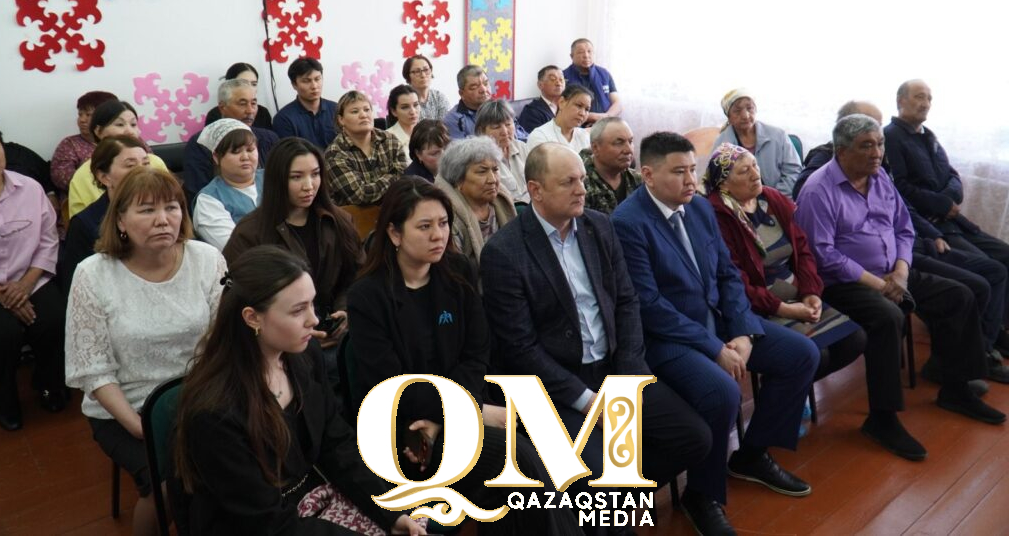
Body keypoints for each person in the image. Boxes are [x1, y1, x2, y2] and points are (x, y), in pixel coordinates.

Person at [480, 144, 712, 535]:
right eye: (568, 182)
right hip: (556, 387)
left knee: (693, 438)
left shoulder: (598, 226)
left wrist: (628, 379)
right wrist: (587, 400)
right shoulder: (504, 252)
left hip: (614, 370)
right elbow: (520, 348)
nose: (581, 189)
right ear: (535, 190)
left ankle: (607, 509)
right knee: (601, 473)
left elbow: (627, 302)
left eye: (583, 180)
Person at [346, 177, 583, 535]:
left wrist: (450, 418)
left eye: (443, 223)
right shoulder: (368, 296)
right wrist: (467, 412)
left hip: (449, 414)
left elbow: (476, 356)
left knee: (548, 448)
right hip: (405, 431)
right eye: (424, 226)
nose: (438, 235)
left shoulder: (458, 273)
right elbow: (392, 388)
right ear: (394, 233)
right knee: (515, 459)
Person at [612, 132, 818, 535]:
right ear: (648, 175)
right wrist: (714, 348)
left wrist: (743, 331)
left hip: (720, 322)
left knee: (801, 355)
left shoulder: (701, 208)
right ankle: (702, 494)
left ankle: (751, 454)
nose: (691, 180)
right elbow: (649, 305)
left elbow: (728, 274)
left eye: (693, 169)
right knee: (723, 392)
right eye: (679, 172)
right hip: (669, 338)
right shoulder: (628, 223)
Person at [171, 246, 425, 536]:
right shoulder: (215, 411)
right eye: (297, 310)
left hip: (302, 506)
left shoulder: (304, 356)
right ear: (252, 318)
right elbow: (267, 524)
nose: (314, 320)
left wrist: (389, 513)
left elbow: (336, 444)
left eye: (312, 304)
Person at [795, 115, 1005, 433]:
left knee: (959, 295)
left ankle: (956, 389)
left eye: (880, 144)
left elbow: (904, 229)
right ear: (842, 151)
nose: (877, 153)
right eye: (866, 146)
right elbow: (823, 255)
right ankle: (883, 419)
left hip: (893, 272)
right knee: (888, 316)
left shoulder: (880, 177)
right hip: (843, 282)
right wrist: (879, 285)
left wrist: (902, 272)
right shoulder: (818, 190)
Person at [65, 168, 225, 535]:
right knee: (167, 487)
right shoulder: (92, 274)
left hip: (200, 399)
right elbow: (93, 370)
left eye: (172, 207)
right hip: (128, 408)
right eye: (147, 210)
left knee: (240, 463)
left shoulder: (206, 258)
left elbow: (222, 340)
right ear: (120, 220)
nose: (163, 219)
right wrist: (140, 427)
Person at [703, 144, 869, 422]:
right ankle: (782, 400)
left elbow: (802, 248)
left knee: (854, 339)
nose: (755, 174)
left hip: (794, 292)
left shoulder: (771, 198)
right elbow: (734, 281)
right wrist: (786, 309)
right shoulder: (718, 215)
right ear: (724, 184)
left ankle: (789, 391)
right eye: (744, 171)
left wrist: (811, 292)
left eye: (755, 165)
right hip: (757, 304)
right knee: (817, 355)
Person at [885, 79, 1009, 356]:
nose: (926, 103)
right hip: (931, 225)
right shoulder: (891, 137)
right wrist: (942, 204)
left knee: (1005, 254)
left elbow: (952, 175)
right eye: (919, 97)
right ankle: (983, 348)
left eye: (929, 98)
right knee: (990, 269)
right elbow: (900, 188)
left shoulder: (928, 136)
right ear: (901, 101)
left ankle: (996, 329)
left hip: (952, 220)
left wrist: (950, 198)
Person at [224, 138, 363, 376]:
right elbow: (238, 299)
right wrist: (298, 326)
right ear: (278, 181)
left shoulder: (339, 220)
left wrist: (345, 311)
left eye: (315, 174)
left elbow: (358, 273)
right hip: (281, 349)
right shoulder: (250, 233)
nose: (309, 186)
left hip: (338, 336)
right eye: (296, 177)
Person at [0, 119, 64, 432]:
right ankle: (3, 399)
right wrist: (2, 295)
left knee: (54, 320)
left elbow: (48, 240)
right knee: (1, 336)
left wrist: (26, 285)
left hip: (31, 278)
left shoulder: (29, 188)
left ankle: (48, 384)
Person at [60, 136, 150, 293]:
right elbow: (76, 285)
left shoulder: (165, 211)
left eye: (146, 163)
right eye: (131, 165)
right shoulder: (85, 223)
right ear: (104, 177)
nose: (143, 172)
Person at [67, 100, 169, 218]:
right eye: (120, 124)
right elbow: (83, 223)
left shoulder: (155, 162)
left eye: (133, 124)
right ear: (98, 131)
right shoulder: (83, 175)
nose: (129, 131)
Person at [184, 76, 279, 200]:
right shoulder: (201, 144)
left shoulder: (269, 138)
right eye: (242, 104)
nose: (250, 110)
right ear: (222, 107)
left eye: (253, 103)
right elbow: (197, 193)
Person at [434, 137, 516, 265]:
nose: (493, 180)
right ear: (458, 180)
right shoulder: (448, 217)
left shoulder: (503, 201)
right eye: (482, 172)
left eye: (495, 169)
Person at [712, 89, 801, 197]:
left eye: (749, 108)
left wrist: (774, 199)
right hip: (741, 202)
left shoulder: (778, 136)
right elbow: (719, 182)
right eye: (737, 111)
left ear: (756, 109)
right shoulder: (722, 145)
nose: (745, 115)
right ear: (729, 117)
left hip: (779, 199)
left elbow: (793, 172)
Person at [323, 91, 407, 206]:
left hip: (393, 210)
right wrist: (394, 177)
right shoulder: (335, 154)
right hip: (353, 216)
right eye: (355, 111)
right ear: (341, 119)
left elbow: (405, 179)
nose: (363, 115)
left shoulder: (390, 140)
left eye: (367, 110)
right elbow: (360, 195)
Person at [192, 119, 263, 251]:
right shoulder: (209, 200)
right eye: (236, 151)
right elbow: (234, 248)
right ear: (216, 157)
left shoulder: (273, 177)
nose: (245, 157)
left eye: (250, 149)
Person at [50, 90, 118, 197]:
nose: (82, 120)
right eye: (80, 114)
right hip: (86, 199)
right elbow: (62, 178)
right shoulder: (70, 144)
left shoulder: (129, 141)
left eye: (89, 115)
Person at [443, 65, 529, 141]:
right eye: (474, 87)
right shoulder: (454, 119)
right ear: (462, 94)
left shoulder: (500, 108)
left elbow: (523, 137)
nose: (483, 90)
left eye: (486, 83)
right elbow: (459, 151)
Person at [272, 57, 339, 149]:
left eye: (317, 79)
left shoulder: (337, 109)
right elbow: (289, 153)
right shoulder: (284, 118)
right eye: (306, 81)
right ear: (294, 85)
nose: (314, 86)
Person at [582, 117, 640, 215]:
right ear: (595, 148)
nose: (629, 150)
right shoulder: (580, 184)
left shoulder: (638, 180)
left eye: (630, 142)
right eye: (619, 143)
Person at [474, 99, 529, 203]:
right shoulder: (479, 159)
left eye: (508, 124)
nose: (504, 132)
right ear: (482, 131)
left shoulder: (523, 147)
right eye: (496, 127)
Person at [563, 38, 622, 124]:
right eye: (580, 52)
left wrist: (606, 116)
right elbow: (560, 107)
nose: (586, 55)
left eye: (589, 51)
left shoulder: (604, 73)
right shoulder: (563, 77)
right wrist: (593, 117)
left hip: (605, 122)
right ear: (572, 56)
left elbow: (617, 103)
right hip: (577, 124)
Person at [525, 85, 592, 156]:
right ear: (561, 102)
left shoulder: (584, 136)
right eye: (578, 106)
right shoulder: (540, 136)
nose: (582, 113)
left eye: (587, 109)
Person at [204, 62, 274, 130]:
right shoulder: (215, 114)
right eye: (242, 83)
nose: (249, 87)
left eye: (254, 84)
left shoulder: (263, 113)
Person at [518, 65, 565, 133]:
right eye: (553, 79)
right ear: (540, 85)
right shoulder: (531, 111)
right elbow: (535, 137)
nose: (558, 83)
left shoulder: (568, 106)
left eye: (561, 79)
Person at [402, 55, 450, 121]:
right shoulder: (403, 99)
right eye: (417, 71)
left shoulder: (439, 97)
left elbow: (445, 125)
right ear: (408, 76)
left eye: (426, 70)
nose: (423, 75)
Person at [385, 83, 421, 162]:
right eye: (405, 107)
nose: (413, 111)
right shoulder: (386, 139)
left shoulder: (428, 132)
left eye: (416, 105)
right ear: (394, 111)